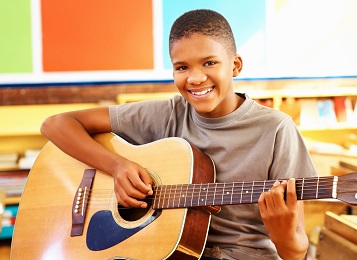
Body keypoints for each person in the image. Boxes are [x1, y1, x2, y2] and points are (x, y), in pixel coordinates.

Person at [41, 9, 318, 260]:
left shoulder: (277, 129)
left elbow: (295, 253)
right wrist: (116, 166)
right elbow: (55, 125)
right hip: (162, 250)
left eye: (209, 63)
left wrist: (284, 236)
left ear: (235, 65)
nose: (195, 78)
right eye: (182, 67)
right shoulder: (167, 114)